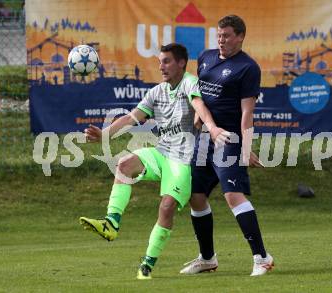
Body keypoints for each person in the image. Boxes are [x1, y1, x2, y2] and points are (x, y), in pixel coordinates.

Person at [79, 43, 229, 280]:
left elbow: (199, 104)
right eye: (159, 62)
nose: (161, 66)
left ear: (181, 63)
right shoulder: (157, 91)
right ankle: (111, 223)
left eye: (167, 61)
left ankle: (147, 264)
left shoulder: (190, 82)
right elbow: (131, 117)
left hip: (183, 160)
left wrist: (211, 128)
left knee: (166, 207)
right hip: (161, 153)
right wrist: (104, 135)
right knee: (124, 164)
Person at [180, 15, 274, 276]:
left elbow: (247, 113)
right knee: (195, 196)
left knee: (233, 196)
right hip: (203, 141)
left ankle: (262, 257)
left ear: (241, 36)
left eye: (227, 36)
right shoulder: (206, 57)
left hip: (229, 140)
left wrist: (245, 149)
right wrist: (197, 126)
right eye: (219, 35)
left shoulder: (248, 68)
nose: (221, 40)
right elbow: (200, 98)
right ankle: (207, 258)